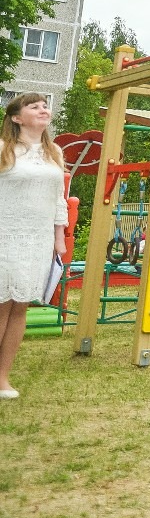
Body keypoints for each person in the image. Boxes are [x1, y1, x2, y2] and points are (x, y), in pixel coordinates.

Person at [0, 94, 65, 401]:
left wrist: (59, 237)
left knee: (21, 305)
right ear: (16, 118)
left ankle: (2, 377)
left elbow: (58, 199)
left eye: (44, 105)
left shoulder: (55, 152)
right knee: (2, 305)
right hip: (5, 234)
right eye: (33, 106)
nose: (42, 109)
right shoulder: (4, 149)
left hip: (38, 239)